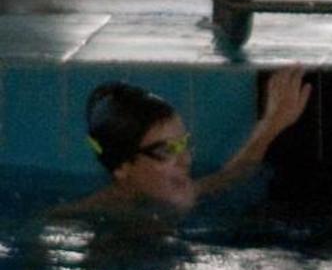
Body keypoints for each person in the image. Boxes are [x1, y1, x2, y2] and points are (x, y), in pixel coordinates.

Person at [50, 66, 313, 222]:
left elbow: (229, 177)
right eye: (167, 151)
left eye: (183, 144)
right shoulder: (83, 220)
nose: (185, 159)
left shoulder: (159, 194)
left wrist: (271, 125)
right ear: (122, 166)